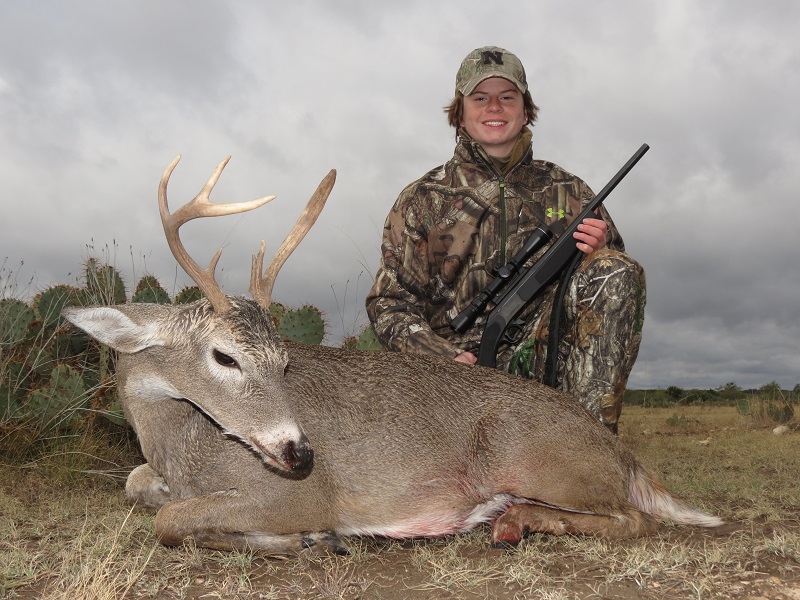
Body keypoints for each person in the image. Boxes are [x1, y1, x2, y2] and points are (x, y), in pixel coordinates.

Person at [365, 46, 645, 433]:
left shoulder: (568, 190)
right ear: (460, 112)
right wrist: (442, 357)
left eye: (507, 97)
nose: (494, 107)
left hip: (541, 359)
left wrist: (597, 254)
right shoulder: (422, 197)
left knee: (616, 270)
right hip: (453, 376)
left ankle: (588, 449)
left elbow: (614, 287)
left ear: (525, 110)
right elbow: (389, 305)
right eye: (480, 98)